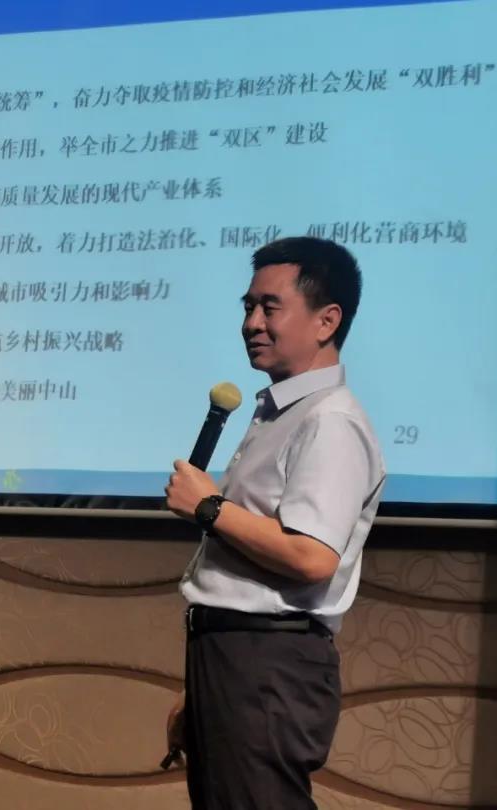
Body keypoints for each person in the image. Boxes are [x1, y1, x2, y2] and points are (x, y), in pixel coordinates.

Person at [164, 236, 385, 809]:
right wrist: (203, 690)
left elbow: (312, 557)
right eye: (247, 306)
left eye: (270, 307)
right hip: (236, 659)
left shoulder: (330, 421)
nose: (252, 323)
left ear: (327, 320)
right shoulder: (281, 412)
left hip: (269, 664)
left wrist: (210, 508)